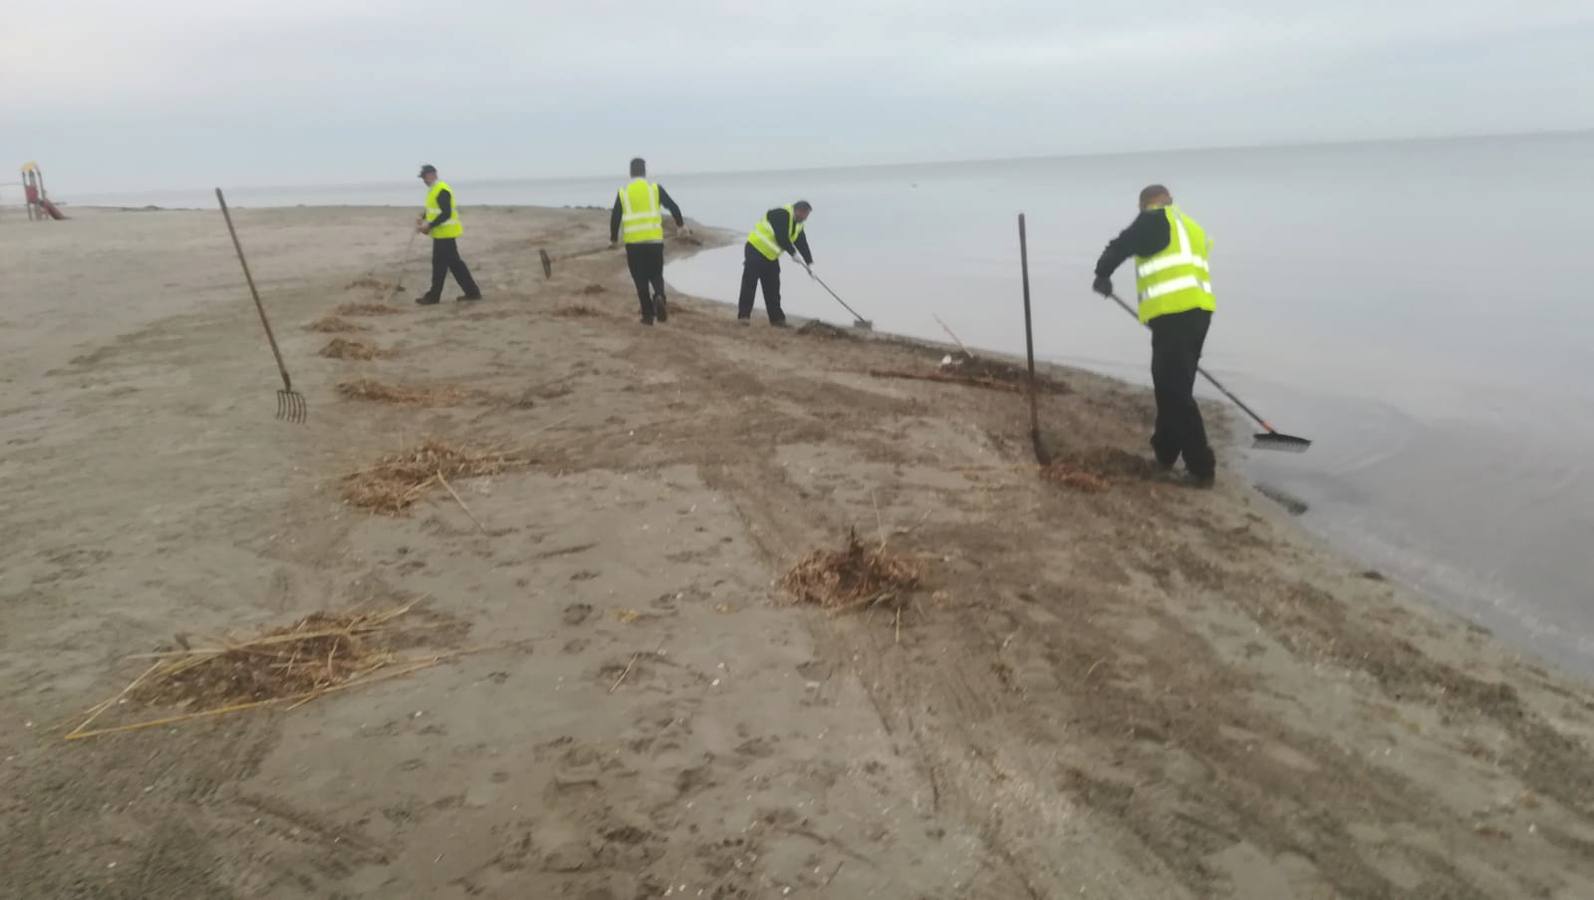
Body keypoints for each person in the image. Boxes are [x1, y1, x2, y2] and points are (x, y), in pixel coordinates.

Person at [1092, 184, 1217, 486]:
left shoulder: (1153, 219)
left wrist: (1102, 274)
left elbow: (1120, 245)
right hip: (1199, 314)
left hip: (1174, 316)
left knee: (1175, 391)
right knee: (1170, 385)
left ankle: (1201, 469)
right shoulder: (1190, 226)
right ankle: (1165, 453)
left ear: (1145, 203)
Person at [609, 158, 686, 325]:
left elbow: (615, 217)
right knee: (656, 274)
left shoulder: (623, 192)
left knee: (640, 279)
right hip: (654, 242)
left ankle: (647, 315)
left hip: (634, 244)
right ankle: (659, 296)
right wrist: (680, 225)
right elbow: (673, 206)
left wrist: (614, 239)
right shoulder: (655, 189)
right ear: (645, 172)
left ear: (631, 172)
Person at [414, 164, 482, 305]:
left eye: (425, 177)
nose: (424, 180)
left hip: (445, 234)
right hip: (441, 234)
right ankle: (472, 292)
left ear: (433, 175)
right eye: (423, 178)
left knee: (440, 265)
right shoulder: (434, 190)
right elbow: (434, 210)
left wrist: (429, 225)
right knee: (455, 265)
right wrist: (423, 216)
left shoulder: (442, 189)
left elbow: (446, 213)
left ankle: (433, 297)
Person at [738, 201, 813, 326]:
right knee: (750, 284)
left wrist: (809, 263)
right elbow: (781, 237)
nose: (805, 218)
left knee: (773, 287)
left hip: (771, 256)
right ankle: (744, 317)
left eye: (807, 216)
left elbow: (802, 243)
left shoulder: (798, 224)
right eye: (805, 215)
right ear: (798, 211)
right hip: (755, 249)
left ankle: (777, 319)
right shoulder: (781, 214)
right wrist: (793, 254)